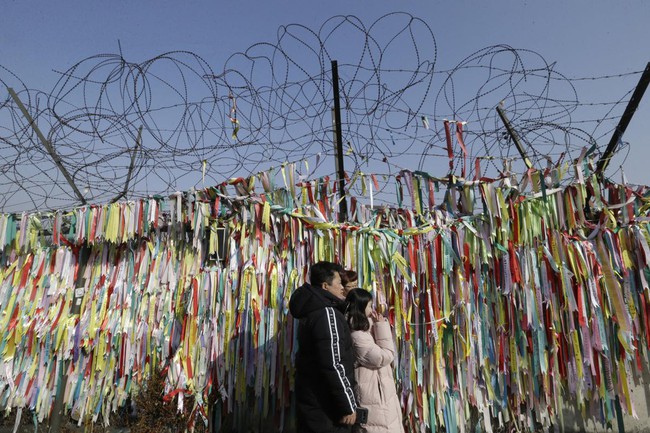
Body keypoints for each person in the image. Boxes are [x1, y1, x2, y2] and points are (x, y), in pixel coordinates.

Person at [289, 261, 358, 432]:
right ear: (325, 286)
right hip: (326, 408)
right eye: (339, 283)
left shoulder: (315, 310)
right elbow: (333, 363)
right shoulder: (326, 313)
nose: (343, 287)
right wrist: (348, 404)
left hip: (315, 403)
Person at [345, 288, 404, 433]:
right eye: (369, 306)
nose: (372, 310)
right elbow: (384, 356)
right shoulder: (357, 336)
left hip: (381, 393)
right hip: (374, 397)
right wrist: (382, 327)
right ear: (360, 307)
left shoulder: (366, 328)